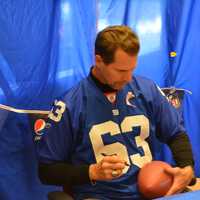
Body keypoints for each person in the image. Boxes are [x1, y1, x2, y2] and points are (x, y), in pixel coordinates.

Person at [36, 25, 195, 200]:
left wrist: (187, 167)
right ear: (99, 61)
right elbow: (46, 171)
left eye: (132, 69)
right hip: (100, 195)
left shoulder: (146, 89)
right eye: (121, 70)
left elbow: (176, 133)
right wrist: (92, 172)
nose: (128, 78)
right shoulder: (71, 104)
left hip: (151, 191)